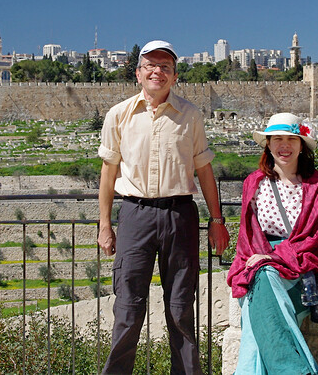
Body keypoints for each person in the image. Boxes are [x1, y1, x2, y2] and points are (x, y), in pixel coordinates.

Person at [97, 40, 230, 375]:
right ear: (139, 74)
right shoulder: (119, 115)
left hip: (179, 215)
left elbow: (204, 170)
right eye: (151, 66)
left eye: (165, 67)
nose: (158, 71)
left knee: (181, 307)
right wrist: (104, 224)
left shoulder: (190, 115)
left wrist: (217, 220)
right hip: (134, 215)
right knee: (127, 308)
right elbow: (109, 170)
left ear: (174, 76)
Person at [226, 112, 318, 375]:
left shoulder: (316, 185)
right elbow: (248, 236)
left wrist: (274, 257)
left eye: (291, 139)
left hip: (303, 269)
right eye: (277, 138)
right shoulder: (254, 183)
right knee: (263, 280)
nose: (284, 145)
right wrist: (265, 259)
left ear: (301, 146)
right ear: (268, 144)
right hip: (259, 265)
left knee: (257, 316)